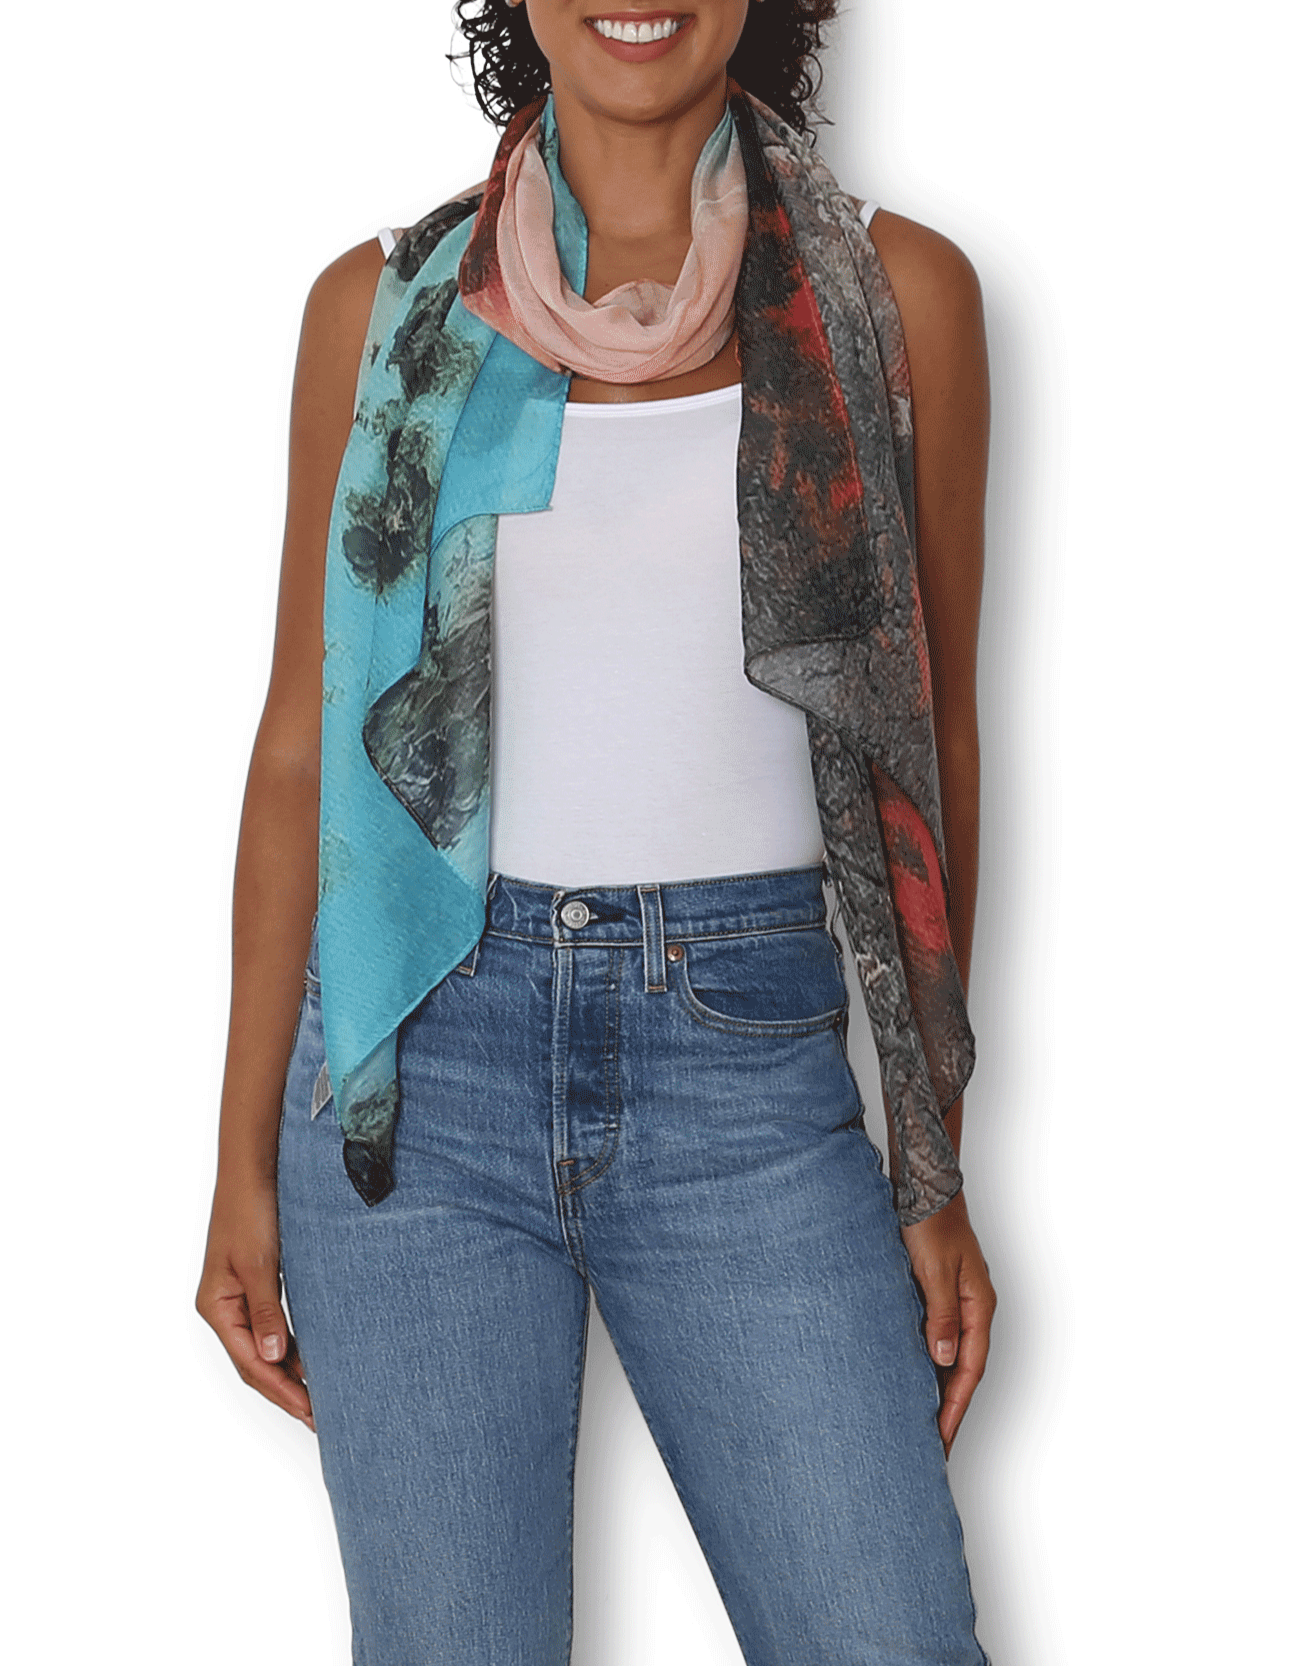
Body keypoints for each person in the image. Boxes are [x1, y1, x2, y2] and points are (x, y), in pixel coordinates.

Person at [196, 0, 997, 1659]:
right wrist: (236, 1166)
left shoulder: (893, 294)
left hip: (745, 1065)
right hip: (415, 1072)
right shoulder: (382, 308)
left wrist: (929, 1156)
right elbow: (299, 751)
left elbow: (929, 760)